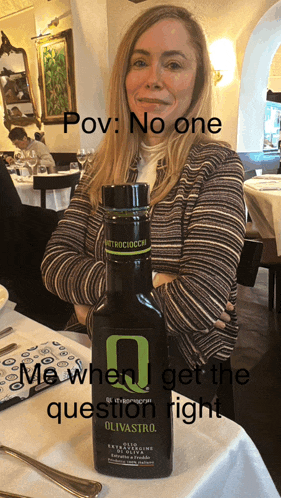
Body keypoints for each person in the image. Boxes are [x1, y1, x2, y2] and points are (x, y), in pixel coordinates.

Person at [41, 5, 245, 403]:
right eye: (141, 62)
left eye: (174, 64)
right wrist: (153, 281)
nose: (154, 79)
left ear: (197, 81)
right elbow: (54, 264)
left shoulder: (217, 166)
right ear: (124, 76)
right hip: (91, 346)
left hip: (180, 360)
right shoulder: (102, 164)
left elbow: (199, 303)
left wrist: (90, 309)